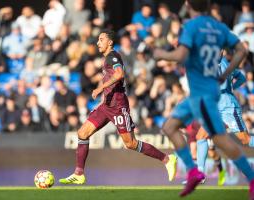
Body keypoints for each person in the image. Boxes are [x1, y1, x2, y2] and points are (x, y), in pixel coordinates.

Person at [153, 0, 254, 197]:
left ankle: (249, 178)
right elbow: (241, 54)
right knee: (195, 135)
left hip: (222, 102)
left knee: (243, 139)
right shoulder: (219, 29)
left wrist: (161, 53)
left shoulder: (192, 26)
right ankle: (197, 174)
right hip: (206, 98)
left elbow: (182, 54)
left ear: (190, 6)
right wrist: (228, 77)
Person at [59, 29, 177, 185]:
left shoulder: (113, 56)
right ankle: (79, 173)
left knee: (130, 144)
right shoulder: (107, 58)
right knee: (82, 133)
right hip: (106, 106)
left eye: (101, 39)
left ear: (110, 42)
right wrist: (103, 97)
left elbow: (119, 74)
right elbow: (110, 79)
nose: (97, 42)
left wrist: (101, 88)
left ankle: (167, 159)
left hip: (118, 106)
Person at [196, 53, 254, 186]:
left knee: (245, 139)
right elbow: (242, 77)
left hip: (227, 106)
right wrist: (232, 87)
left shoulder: (219, 64)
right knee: (201, 136)